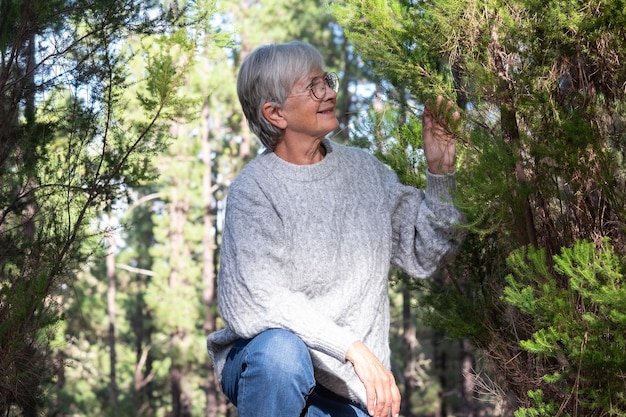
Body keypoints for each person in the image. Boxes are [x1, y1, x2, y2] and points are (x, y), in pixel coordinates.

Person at [206, 40, 464, 417]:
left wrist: (441, 173)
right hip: (267, 370)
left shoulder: (365, 172)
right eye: (312, 86)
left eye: (326, 80)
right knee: (281, 352)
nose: (328, 92)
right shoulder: (254, 189)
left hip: (346, 386)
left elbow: (426, 251)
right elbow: (256, 302)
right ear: (275, 113)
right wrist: (354, 349)